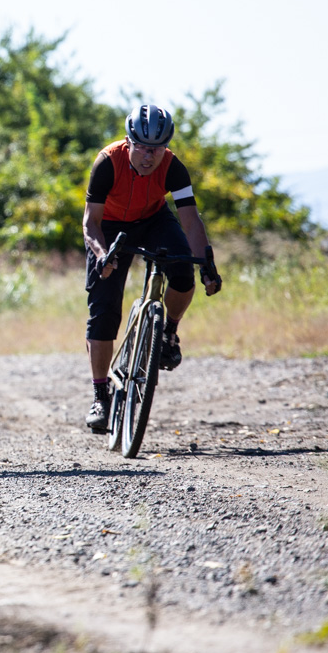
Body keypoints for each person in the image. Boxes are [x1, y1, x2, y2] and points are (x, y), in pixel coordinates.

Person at [82, 104, 223, 433]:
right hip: (111, 227)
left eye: (157, 149)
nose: (149, 157)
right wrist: (103, 255)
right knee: (103, 311)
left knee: (182, 270)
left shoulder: (174, 168)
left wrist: (207, 264)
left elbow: (190, 220)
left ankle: (168, 333)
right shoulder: (107, 162)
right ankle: (100, 396)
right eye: (143, 148)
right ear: (129, 142)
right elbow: (91, 223)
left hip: (153, 219)